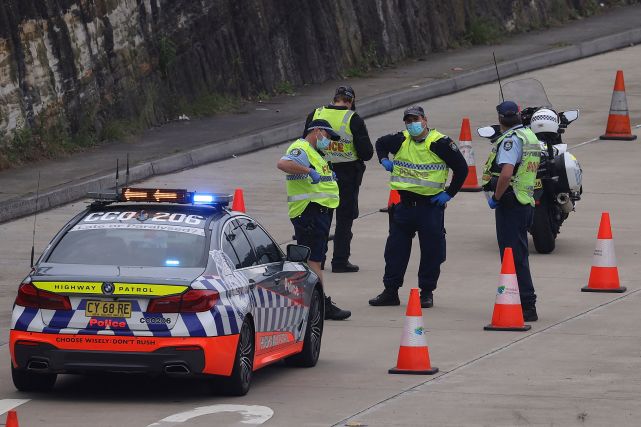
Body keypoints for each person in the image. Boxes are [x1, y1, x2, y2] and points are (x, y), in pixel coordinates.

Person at [369, 106, 468, 308]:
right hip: (404, 207)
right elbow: (380, 143)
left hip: (429, 207)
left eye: (415, 119)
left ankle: (427, 292)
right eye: (408, 120)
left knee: (432, 251)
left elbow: (462, 168)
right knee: (395, 251)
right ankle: (391, 291)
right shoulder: (401, 140)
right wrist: (384, 159)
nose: (412, 124)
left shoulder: (440, 143)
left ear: (425, 120)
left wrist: (449, 193)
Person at [277, 119, 351, 320]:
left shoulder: (316, 153)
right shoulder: (301, 148)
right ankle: (319, 305)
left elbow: (318, 179)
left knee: (313, 259)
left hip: (318, 212)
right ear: (317, 131)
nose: (327, 141)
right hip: (309, 212)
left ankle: (311, 302)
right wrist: (309, 171)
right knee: (313, 260)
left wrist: (327, 176)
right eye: (326, 136)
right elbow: (283, 163)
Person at [303, 86, 373, 273]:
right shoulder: (353, 119)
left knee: (322, 217)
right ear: (351, 101)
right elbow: (367, 153)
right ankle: (340, 261)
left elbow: (305, 141)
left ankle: (319, 259)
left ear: (335, 98)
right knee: (344, 219)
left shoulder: (315, 113)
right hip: (347, 174)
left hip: (321, 172)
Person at [482, 101, 541, 322]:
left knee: (513, 257)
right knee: (518, 255)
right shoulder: (529, 136)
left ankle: (526, 304)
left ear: (500, 119)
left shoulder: (510, 141)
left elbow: (506, 174)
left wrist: (496, 197)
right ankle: (522, 300)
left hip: (511, 203)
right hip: (525, 201)